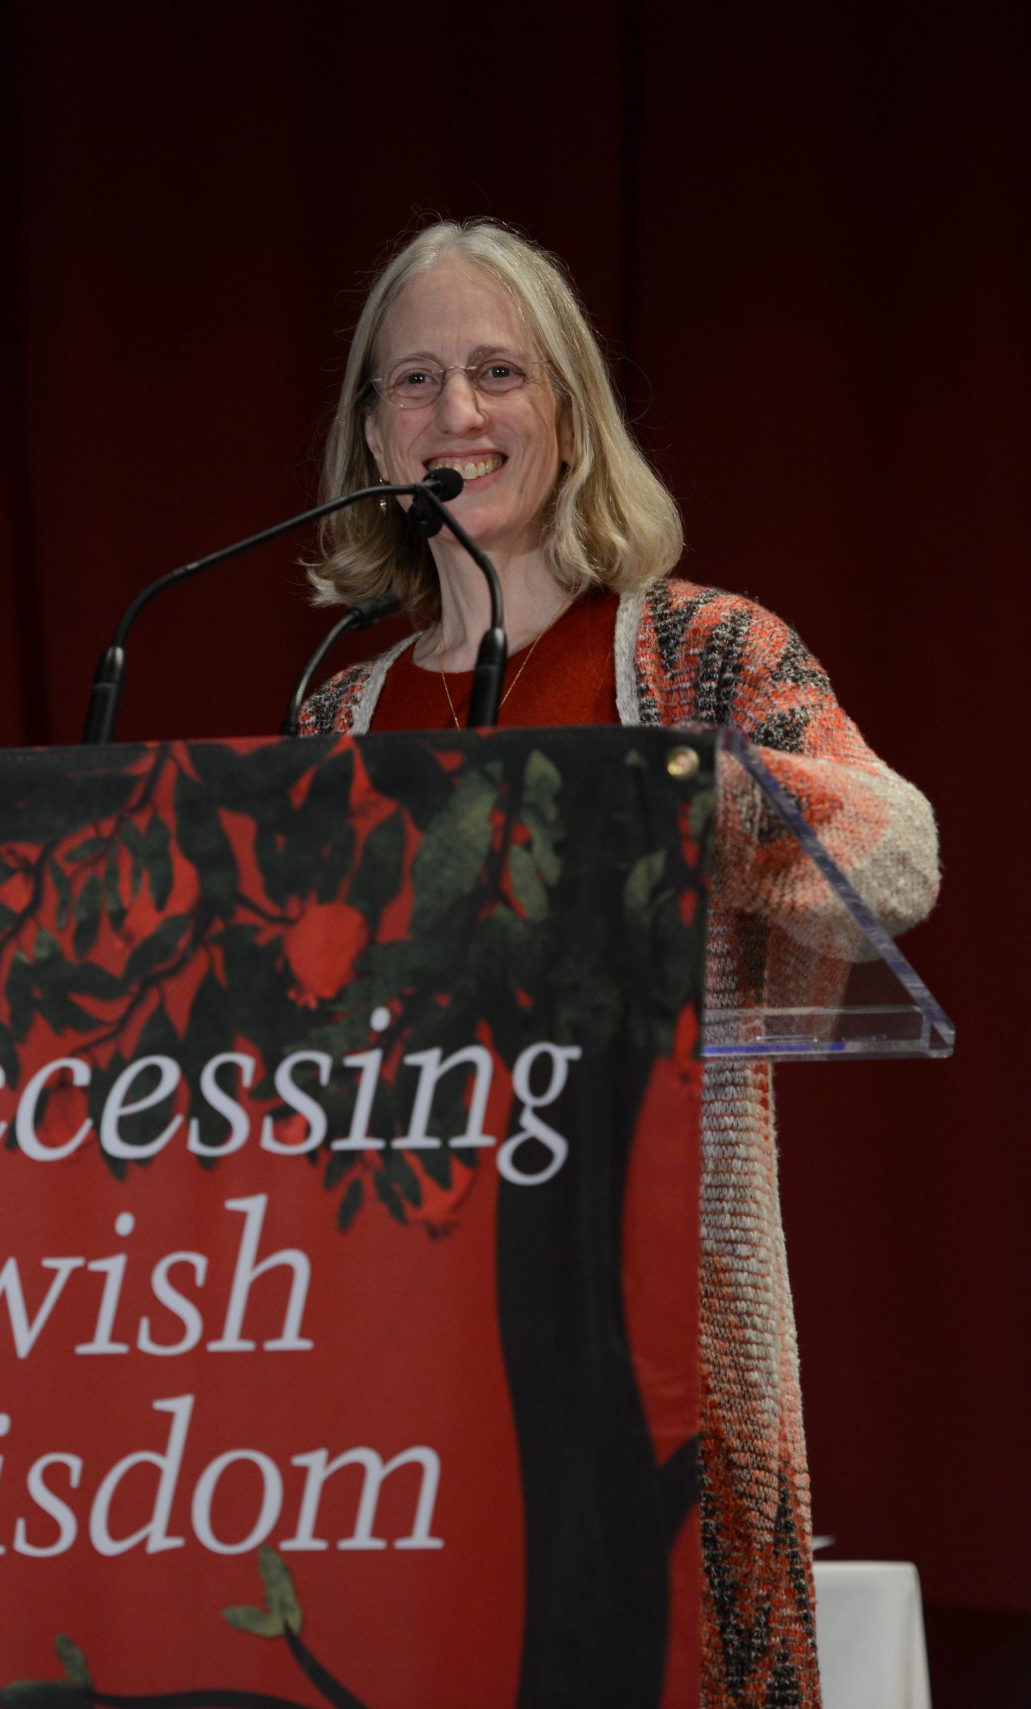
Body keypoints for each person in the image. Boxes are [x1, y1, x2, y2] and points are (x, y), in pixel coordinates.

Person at [297, 218, 940, 1708]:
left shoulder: (704, 655)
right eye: (415, 380)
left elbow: (896, 860)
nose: (456, 412)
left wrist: (677, 791)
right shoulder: (340, 713)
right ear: (373, 432)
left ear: (570, 412)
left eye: (498, 371)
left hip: (660, 1318)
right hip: (401, 1326)